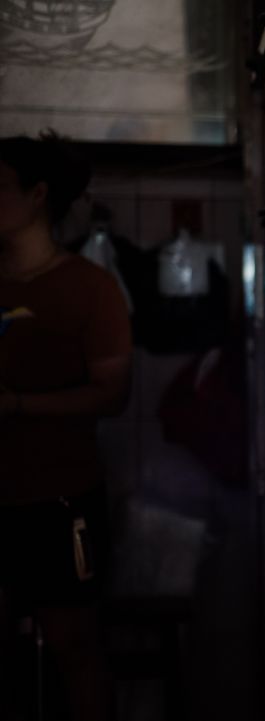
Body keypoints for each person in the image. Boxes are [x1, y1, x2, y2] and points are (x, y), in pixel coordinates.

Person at [0, 131, 132, 721]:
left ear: (37, 196)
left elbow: (113, 394)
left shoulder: (90, 288)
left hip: (58, 500)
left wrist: (19, 406)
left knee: (73, 646)